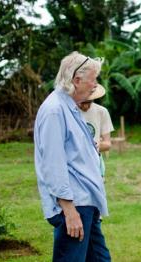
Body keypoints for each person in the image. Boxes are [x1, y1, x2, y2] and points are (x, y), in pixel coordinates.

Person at [34, 51, 111, 261]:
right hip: (74, 204)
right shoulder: (55, 110)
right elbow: (53, 164)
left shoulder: (70, 107)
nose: (95, 85)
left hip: (86, 201)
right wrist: (69, 210)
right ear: (77, 80)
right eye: (93, 80)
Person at [78, 85, 114, 177]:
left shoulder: (102, 112)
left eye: (89, 102)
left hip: (95, 162)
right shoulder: (70, 112)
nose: (86, 106)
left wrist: (95, 146)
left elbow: (107, 144)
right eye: (83, 102)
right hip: (76, 163)